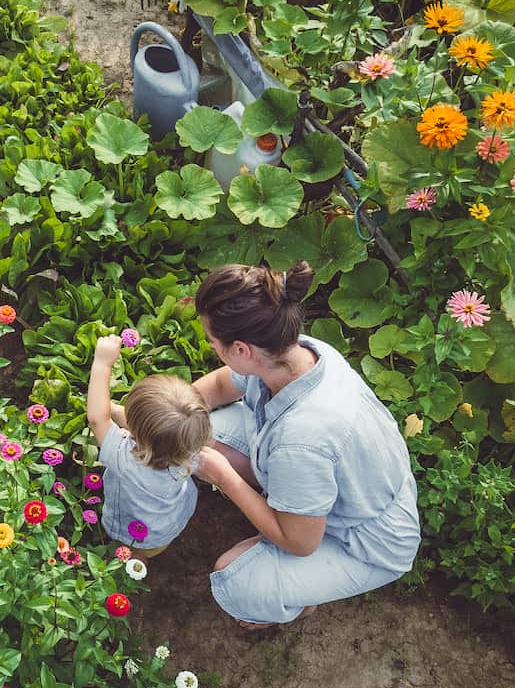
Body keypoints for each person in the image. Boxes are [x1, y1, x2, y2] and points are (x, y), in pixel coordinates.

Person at [191, 261, 420, 629]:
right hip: (347, 484)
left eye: (213, 342)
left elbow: (299, 543)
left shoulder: (302, 440)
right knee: (199, 433)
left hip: (367, 542)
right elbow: (220, 386)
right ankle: (286, 511)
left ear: (241, 350)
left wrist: (223, 476)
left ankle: (299, 602)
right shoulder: (297, 352)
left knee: (236, 582)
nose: (212, 347)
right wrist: (173, 408)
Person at [87, 335, 213, 558]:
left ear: (137, 434)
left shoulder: (125, 459)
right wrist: (116, 412)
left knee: (131, 555)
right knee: (148, 551)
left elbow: (97, 418)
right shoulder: (190, 448)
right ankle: (142, 562)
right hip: (169, 522)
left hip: (136, 532)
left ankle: (132, 568)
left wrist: (102, 363)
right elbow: (157, 435)